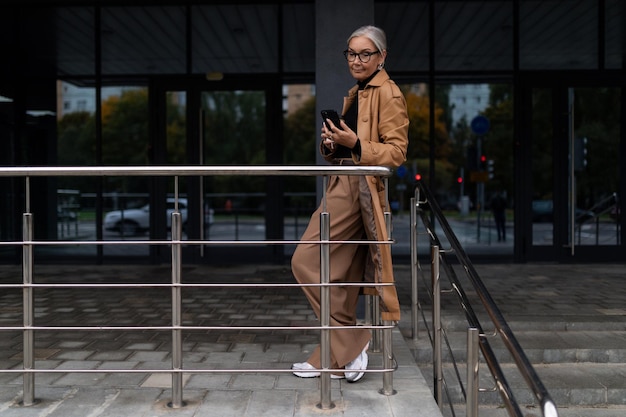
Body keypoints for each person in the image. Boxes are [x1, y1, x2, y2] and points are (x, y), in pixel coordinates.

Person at [291, 25, 409, 382]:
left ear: (382, 57)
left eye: (365, 54)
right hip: (343, 181)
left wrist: (355, 143)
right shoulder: (356, 92)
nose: (356, 61)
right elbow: (350, 146)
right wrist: (333, 143)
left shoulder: (388, 93)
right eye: (351, 54)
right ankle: (335, 352)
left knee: (305, 260)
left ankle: (351, 342)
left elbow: (397, 152)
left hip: (360, 188)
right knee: (334, 273)